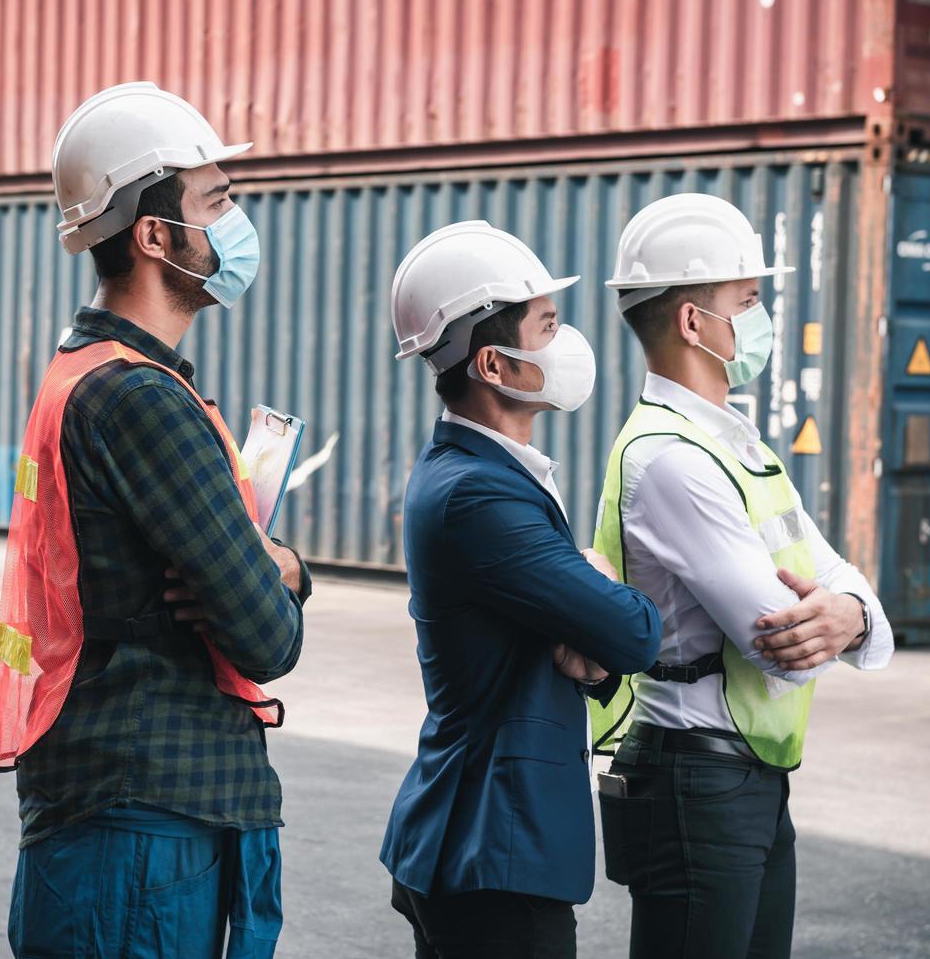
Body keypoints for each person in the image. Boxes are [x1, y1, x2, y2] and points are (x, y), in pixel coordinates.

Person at [0, 82, 310, 958]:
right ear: (154, 235)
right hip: (145, 824)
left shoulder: (83, 368)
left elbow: (246, 580)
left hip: (117, 808)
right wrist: (278, 573)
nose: (237, 223)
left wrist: (272, 565)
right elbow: (263, 637)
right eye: (217, 203)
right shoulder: (140, 397)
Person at [590, 192, 895, 959]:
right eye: (749, 301)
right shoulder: (671, 460)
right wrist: (839, 618)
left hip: (747, 777)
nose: (763, 318)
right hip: (696, 784)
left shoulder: (736, 444)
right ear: (694, 322)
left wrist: (852, 616)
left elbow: (838, 580)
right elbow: (778, 647)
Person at [379, 221, 663, 958]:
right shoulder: (478, 494)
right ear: (495, 366)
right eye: (547, 325)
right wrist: (598, 591)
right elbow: (634, 631)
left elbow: (587, 640)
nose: (564, 340)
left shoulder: (486, 475)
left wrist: (590, 645)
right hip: (490, 849)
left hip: (478, 841)